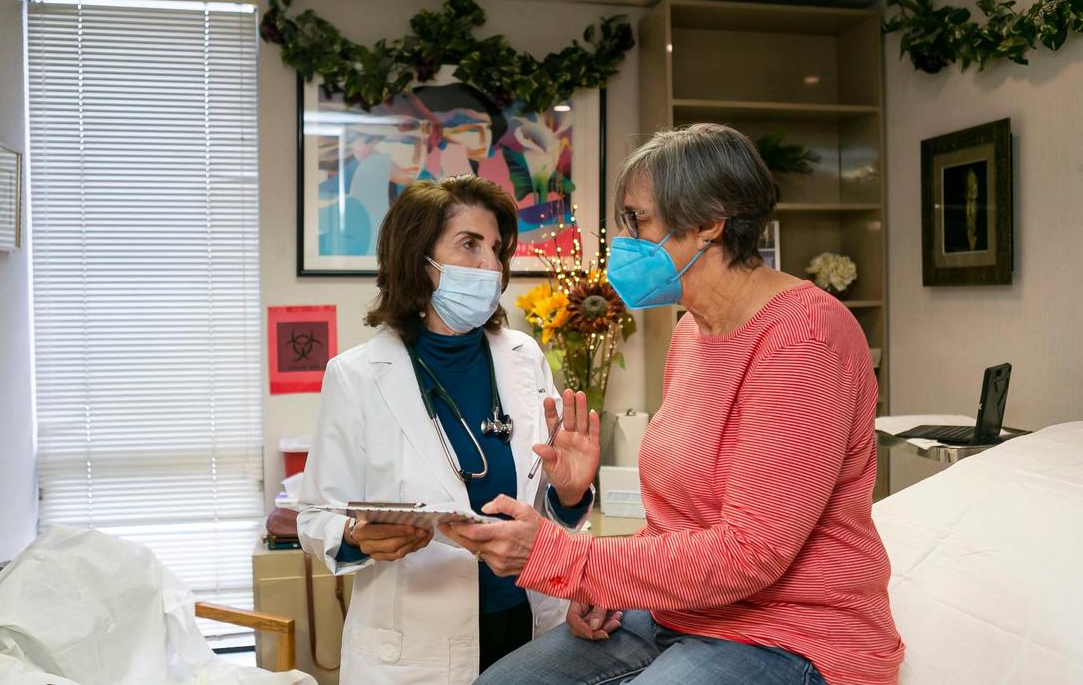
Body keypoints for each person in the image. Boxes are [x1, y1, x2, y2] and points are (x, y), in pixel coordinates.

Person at [443, 124, 906, 685]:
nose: (626, 242)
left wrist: (568, 561)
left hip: (791, 632)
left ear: (709, 222)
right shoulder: (692, 332)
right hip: (681, 612)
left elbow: (749, 552)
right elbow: (682, 520)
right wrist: (605, 584)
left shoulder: (804, 337)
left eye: (638, 221)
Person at [296, 174, 601, 684]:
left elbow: (546, 507)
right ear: (419, 259)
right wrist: (356, 538)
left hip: (529, 627)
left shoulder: (524, 359)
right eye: (469, 244)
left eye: (498, 248)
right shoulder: (356, 376)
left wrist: (571, 495)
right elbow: (315, 516)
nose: (491, 264)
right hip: (415, 646)